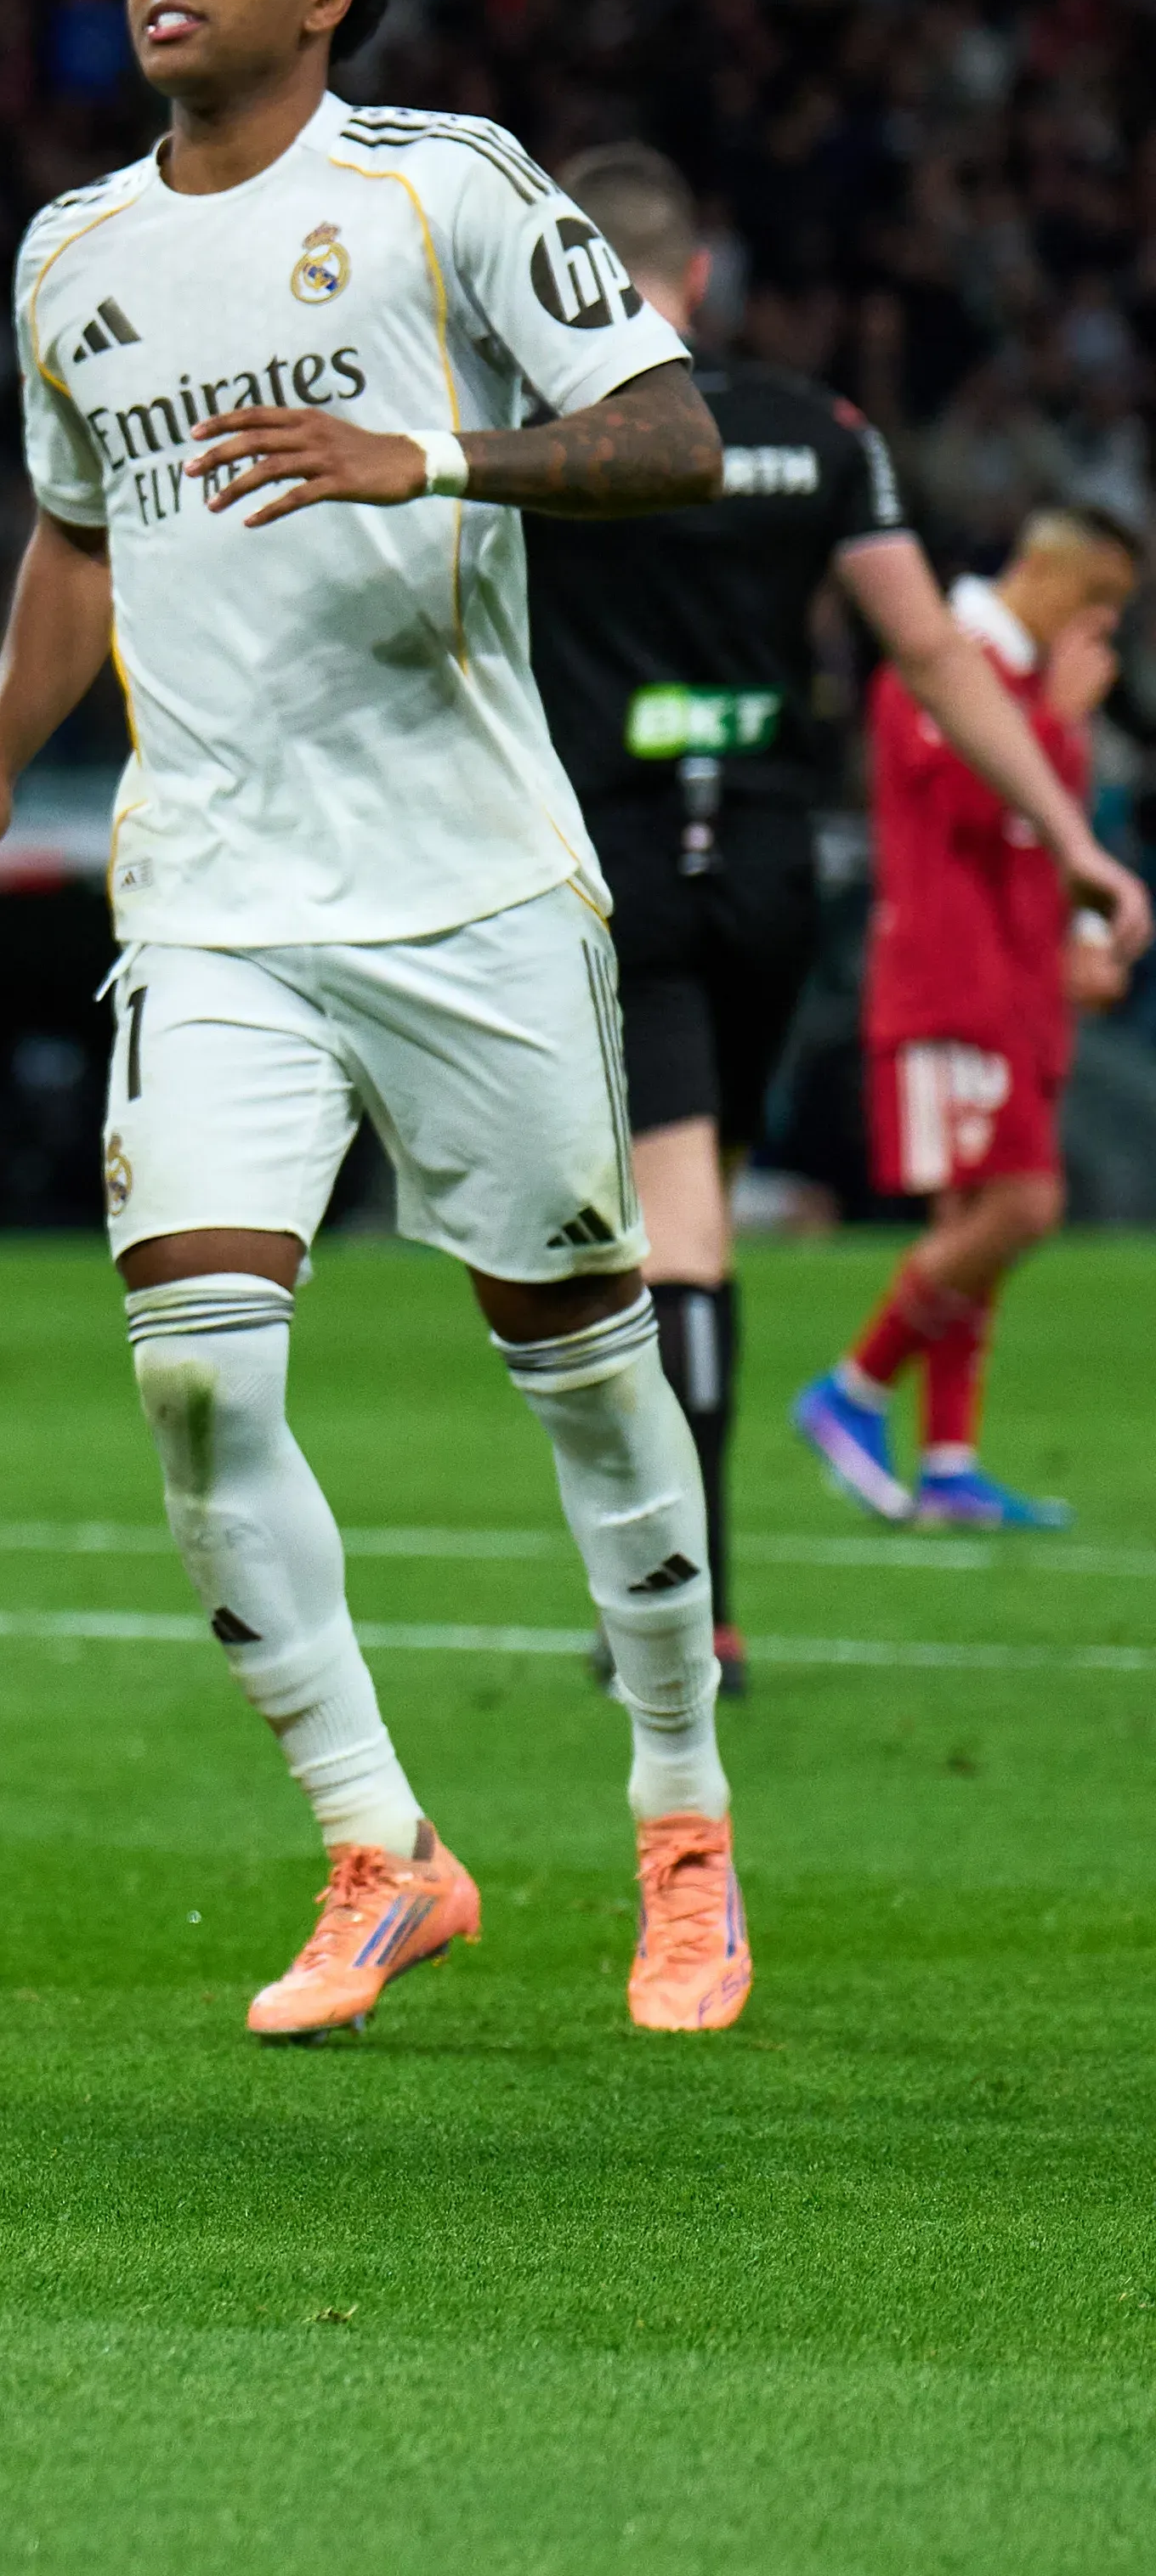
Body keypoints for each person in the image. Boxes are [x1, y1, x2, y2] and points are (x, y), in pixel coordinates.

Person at [0, 0, 754, 2040]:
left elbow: (672, 435)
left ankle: (681, 1819)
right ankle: (380, 1843)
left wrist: (432, 457)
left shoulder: (439, 187)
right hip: (215, 902)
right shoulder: (72, 254)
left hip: (471, 886)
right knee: (196, 1366)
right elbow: (77, 534)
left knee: (581, 1372)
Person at [525, 151, 1148, 1651]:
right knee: (695, 1219)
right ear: (698, 273)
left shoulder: (529, 446)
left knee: (656, 1235)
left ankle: (691, 1617)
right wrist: (1072, 833)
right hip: (764, 873)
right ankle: (695, 1601)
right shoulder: (819, 436)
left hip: (597, 868)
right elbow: (932, 653)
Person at [796, 502, 1146, 1528]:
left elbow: (1041, 845)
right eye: (1100, 605)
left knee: (977, 1224)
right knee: (1021, 1208)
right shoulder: (939, 657)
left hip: (1018, 986)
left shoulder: (1022, 683)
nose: (1105, 634)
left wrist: (1079, 945)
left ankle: (949, 1464)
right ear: (1048, 578)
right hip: (953, 986)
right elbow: (973, 805)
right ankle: (852, 1389)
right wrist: (1061, 724)